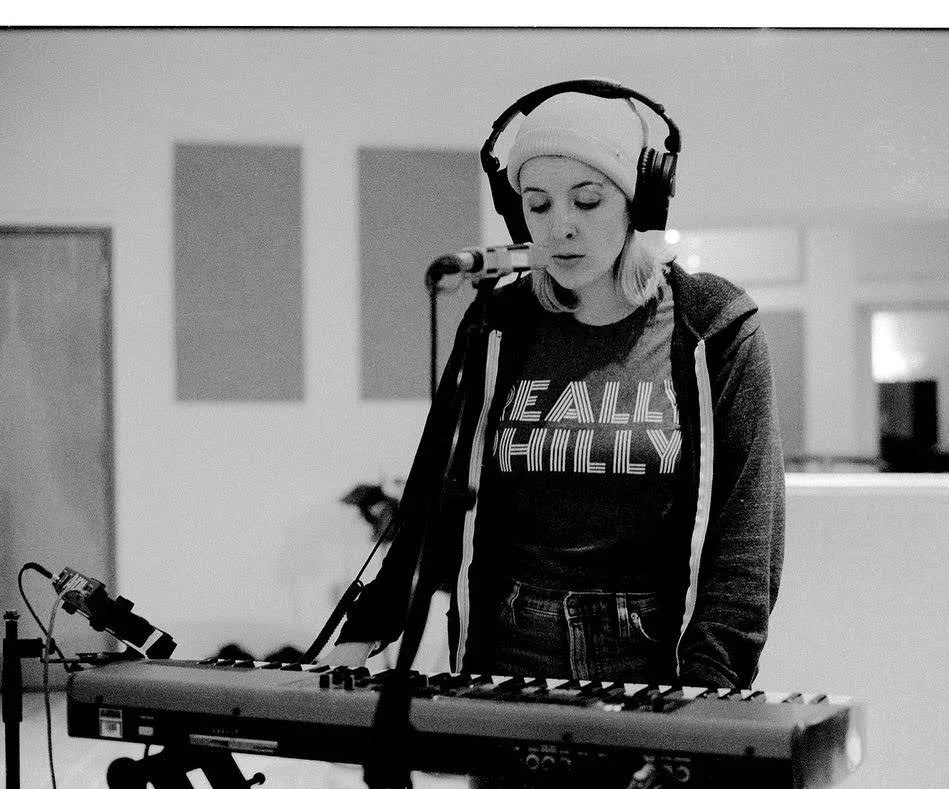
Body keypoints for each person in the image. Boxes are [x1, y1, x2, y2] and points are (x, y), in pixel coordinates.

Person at [325, 79, 784, 781]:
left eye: (587, 200)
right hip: (507, 648)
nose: (560, 226)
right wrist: (361, 636)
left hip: (655, 656)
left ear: (639, 201)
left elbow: (747, 536)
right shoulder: (497, 322)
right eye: (538, 205)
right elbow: (433, 499)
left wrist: (706, 696)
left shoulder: (713, 325)